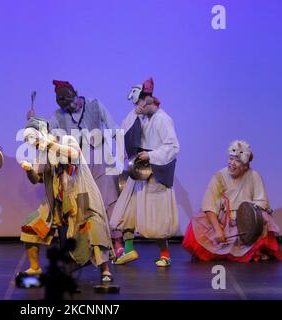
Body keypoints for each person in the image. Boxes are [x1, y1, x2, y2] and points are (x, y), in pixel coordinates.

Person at [28, 80, 124, 256]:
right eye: (66, 106)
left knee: (109, 200)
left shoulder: (95, 104)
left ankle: (117, 241)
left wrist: (120, 148)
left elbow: (113, 126)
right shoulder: (59, 114)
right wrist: (34, 121)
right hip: (80, 164)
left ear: (76, 94)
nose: (71, 108)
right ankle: (93, 245)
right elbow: (47, 127)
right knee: (85, 204)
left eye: (72, 103)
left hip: (101, 159)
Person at [19, 117, 114, 282]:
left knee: (94, 229)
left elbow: (74, 154)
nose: (31, 143)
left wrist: (48, 144)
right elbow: (37, 179)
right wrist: (28, 171)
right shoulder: (40, 155)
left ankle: (105, 270)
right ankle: (35, 267)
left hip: (81, 199)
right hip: (55, 205)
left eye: (32, 138)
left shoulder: (65, 140)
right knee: (31, 225)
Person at [110, 77, 179, 267]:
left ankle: (165, 253)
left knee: (155, 218)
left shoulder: (163, 119)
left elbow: (173, 147)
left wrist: (152, 156)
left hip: (155, 173)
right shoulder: (140, 116)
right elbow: (124, 129)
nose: (137, 107)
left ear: (148, 99)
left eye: (139, 102)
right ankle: (130, 250)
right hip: (139, 173)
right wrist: (134, 112)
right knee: (127, 211)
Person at [182, 140, 282, 262]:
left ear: (245, 165)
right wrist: (217, 229)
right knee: (199, 222)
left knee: (263, 217)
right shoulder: (219, 176)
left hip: (246, 222)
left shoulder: (254, 176)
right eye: (231, 159)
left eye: (237, 160)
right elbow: (209, 205)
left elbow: (262, 202)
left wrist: (246, 218)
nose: (232, 163)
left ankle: (251, 248)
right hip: (224, 220)